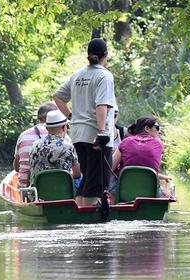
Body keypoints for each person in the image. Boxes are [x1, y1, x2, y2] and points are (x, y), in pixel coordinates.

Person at [54, 37, 117, 206]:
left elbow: (58, 97)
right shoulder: (104, 76)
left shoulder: (77, 75)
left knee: (88, 179)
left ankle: (78, 216)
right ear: (106, 55)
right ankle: (89, 228)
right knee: (96, 184)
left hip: (78, 135)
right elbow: (101, 105)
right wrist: (103, 132)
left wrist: (70, 116)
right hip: (96, 137)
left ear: (88, 55)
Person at [112, 116, 172, 185]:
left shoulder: (125, 142)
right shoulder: (159, 144)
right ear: (146, 128)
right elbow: (152, 171)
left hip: (124, 190)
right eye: (157, 128)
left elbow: (111, 167)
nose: (159, 131)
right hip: (150, 191)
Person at [28, 110, 81, 183]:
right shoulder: (68, 147)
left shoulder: (34, 145)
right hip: (63, 192)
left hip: (39, 192)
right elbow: (77, 174)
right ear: (64, 127)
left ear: (47, 128)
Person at [13, 102, 59, 187]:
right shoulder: (62, 136)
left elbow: (16, 168)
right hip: (55, 188)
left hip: (26, 189)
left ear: (39, 117)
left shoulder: (23, 135)